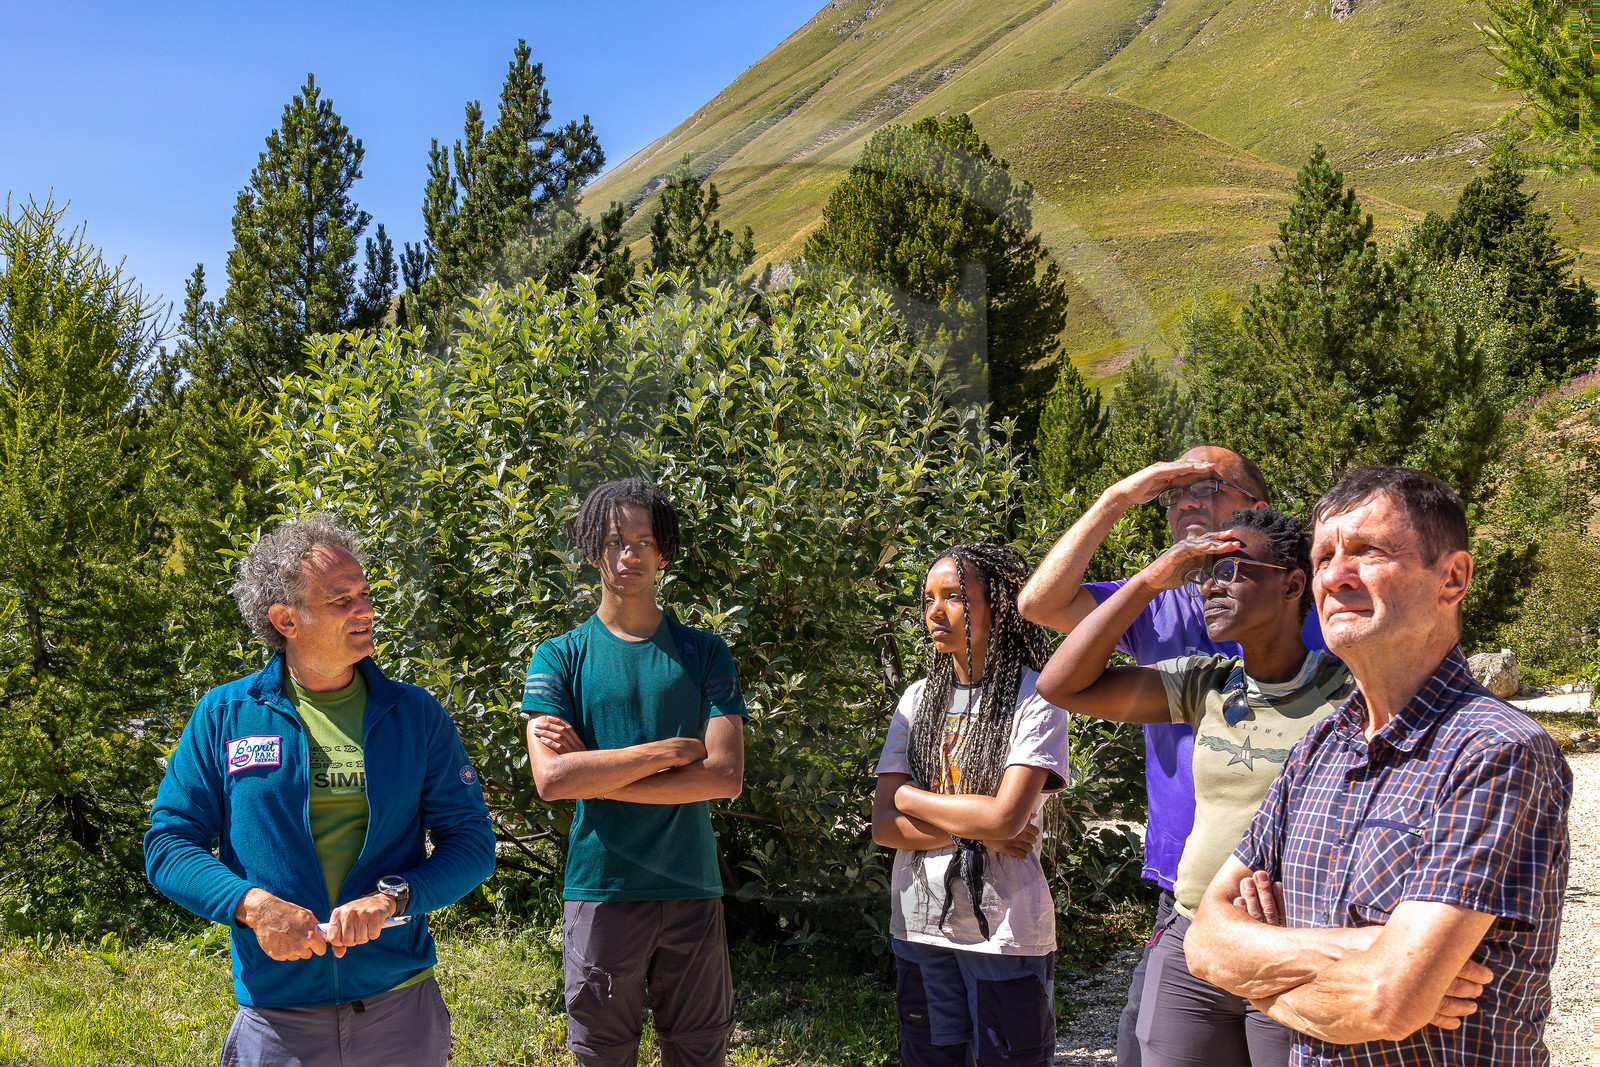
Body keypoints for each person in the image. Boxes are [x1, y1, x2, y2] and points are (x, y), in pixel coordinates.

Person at [1184, 466, 1573, 1066]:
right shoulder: (1318, 748)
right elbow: (1205, 943)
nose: (1336, 576)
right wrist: (1352, 949)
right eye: (1322, 559)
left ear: (1452, 577)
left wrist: (1258, 974)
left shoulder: (1496, 752)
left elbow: (1388, 1001)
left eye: (1368, 551)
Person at [145, 515, 496, 1067]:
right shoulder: (226, 714)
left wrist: (394, 898)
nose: (366, 609)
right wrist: (252, 906)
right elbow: (168, 845)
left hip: (398, 1008)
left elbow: (472, 845)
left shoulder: (415, 714)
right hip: (277, 1019)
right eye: (340, 599)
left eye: (365, 593)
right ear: (286, 619)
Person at [1018, 444, 1326, 1066]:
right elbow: (1042, 606)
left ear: (1256, 508)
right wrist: (1118, 500)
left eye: (1209, 487)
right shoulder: (1165, 613)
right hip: (1185, 881)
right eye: (1174, 492)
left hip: (1296, 894)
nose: (1187, 499)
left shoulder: (1323, 623)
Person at [523, 478, 746, 1067]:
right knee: (601, 1056)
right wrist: (671, 751)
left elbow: (724, 777)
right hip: (601, 890)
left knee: (700, 1055)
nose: (630, 555)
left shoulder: (705, 653)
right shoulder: (558, 656)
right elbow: (551, 780)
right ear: (594, 549)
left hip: (691, 888)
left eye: (644, 542)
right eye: (616, 541)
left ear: (663, 553)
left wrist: (593, 770)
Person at [872, 543, 1070, 1067]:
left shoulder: (1039, 696)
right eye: (928, 598)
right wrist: (978, 830)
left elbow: (1006, 817)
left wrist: (913, 796)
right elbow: (885, 825)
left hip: (1006, 931)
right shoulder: (917, 700)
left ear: (999, 607)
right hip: (918, 923)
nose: (935, 611)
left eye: (954, 597)